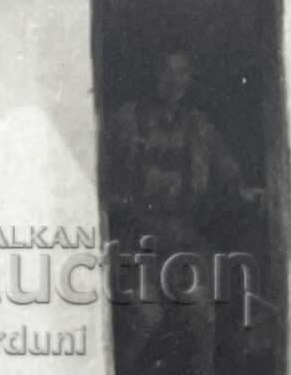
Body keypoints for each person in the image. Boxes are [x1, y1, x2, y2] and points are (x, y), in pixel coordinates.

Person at [105, 51, 249, 375]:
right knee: (146, 317)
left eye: (182, 73)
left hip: (181, 236)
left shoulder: (198, 126)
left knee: (203, 315)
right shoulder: (127, 120)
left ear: (189, 79)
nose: (174, 81)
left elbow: (226, 168)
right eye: (166, 72)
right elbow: (103, 172)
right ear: (154, 75)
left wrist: (244, 189)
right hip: (134, 236)